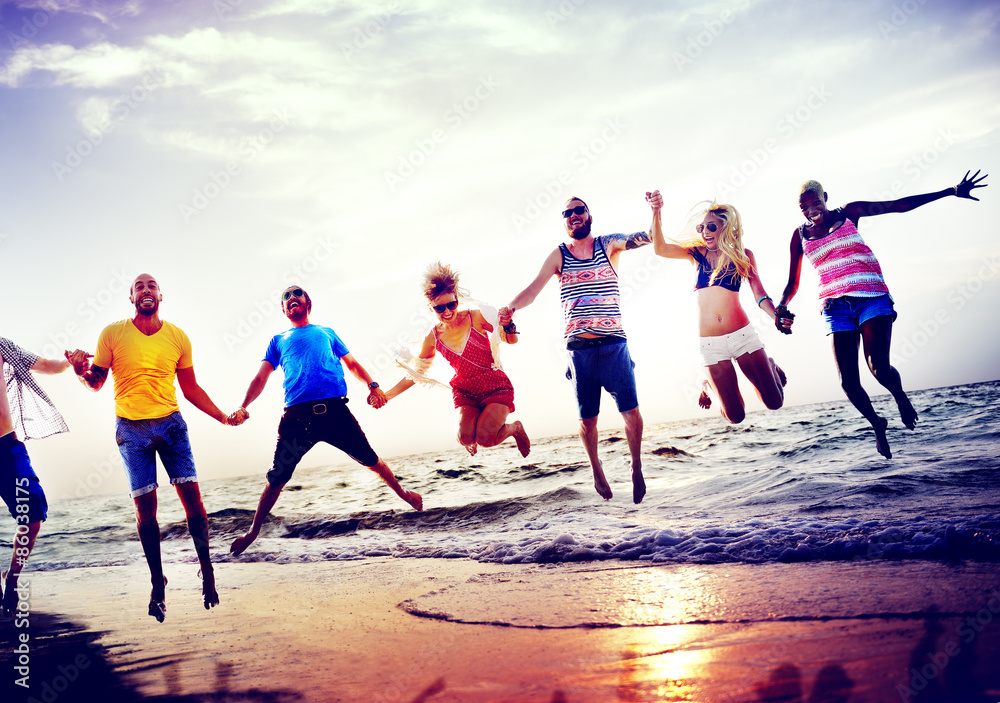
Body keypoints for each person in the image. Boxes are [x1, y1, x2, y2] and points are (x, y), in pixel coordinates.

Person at [777, 170, 988, 458]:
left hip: (871, 297)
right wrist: (782, 305)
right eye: (804, 207)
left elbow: (897, 204)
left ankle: (900, 397)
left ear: (825, 198)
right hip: (835, 308)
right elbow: (793, 283)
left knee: (879, 367)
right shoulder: (799, 236)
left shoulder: (849, 213)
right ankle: (878, 424)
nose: (811, 211)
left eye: (815, 203)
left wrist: (949, 190)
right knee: (848, 383)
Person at [65, 273, 237, 622]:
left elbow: (191, 388)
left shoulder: (178, 337)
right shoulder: (112, 334)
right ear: (131, 298)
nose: (146, 290)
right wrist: (80, 371)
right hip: (131, 430)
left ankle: (207, 570)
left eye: (151, 285)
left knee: (194, 503)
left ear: (161, 295)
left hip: (172, 424)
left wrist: (222, 417)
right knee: (146, 513)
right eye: (138, 287)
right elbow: (95, 382)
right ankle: (158, 582)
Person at [229, 285, 422, 557]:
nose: (291, 299)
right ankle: (253, 532)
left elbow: (352, 364)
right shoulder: (278, 340)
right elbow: (261, 377)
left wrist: (373, 385)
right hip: (297, 417)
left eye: (297, 294)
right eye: (285, 298)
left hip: (335, 413)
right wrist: (243, 405)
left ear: (308, 302)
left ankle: (404, 495)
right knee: (277, 477)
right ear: (283, 310)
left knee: (371, 460)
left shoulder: (326, 333)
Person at [499, 192, 658, 504]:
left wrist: (656, 211)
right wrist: (510, 308)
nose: (573, 216)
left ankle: (636, 465)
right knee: (587, 421)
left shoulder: (608, 244)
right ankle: (596, 467)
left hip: (614, 345)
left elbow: (650, 237)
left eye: (579, 211)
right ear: (564, 221)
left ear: (589, 216)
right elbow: (533, 289)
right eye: (568, 213)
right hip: (579, 350)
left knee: (632, 412)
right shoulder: (559, 254)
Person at [651, 198, 787, 423]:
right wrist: (656, 211)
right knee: (735, 417)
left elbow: (759, 294)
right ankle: (707, 386)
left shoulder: (744, 255)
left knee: (775, 402)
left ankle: (770, 364)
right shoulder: (696, 253)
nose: (705, 232)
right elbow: (660, 249)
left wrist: (775, 317)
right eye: (701, 227)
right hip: (712, 345)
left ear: (725, 228)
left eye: (711, 226)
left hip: (742, 336)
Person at [381, 262, 530, 458]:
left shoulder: (476, 317)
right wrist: (386, 395)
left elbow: (511, 340)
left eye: (451, 304)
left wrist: (508, 324)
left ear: (457, 299)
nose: (447, 311)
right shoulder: (432, 335)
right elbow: (417, 373)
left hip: (494, 385)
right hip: (466, 391)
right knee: (465, 438)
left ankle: (515, 429)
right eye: (439, 308)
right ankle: (473, 433)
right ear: (430, 307)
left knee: (485, 439)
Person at [0, 338, 71, 616]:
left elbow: (44, 365)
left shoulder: (2, 347)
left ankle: (12, 578)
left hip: (7, 447)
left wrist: (70, 363)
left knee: (32, 507)